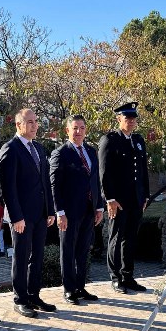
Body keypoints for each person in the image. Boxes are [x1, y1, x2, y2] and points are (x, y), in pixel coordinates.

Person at [0, 108, 57, 318]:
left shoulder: (39, 149)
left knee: (37, 257)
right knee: (21, 258)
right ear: (18, 125)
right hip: (21, 217)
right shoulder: (10, 149)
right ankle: (20, 299)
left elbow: (45, 182)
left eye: (35, 121)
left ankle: (34, 295)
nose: (34, 125)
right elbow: (8, 187)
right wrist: (16, 217)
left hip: (40, 215)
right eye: (29, 122)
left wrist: (50, 211)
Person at [50, 114, 104, 304]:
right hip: (69, 213)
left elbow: (96, 181)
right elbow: (54, 185)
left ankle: (81, 287)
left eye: (82, 128)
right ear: (67, 130)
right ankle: (69, 289)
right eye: (75, 128)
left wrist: (99, 206)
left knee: (83, 250)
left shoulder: (90, 151)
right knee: (68, 250)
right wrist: (60, 212)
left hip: (89, 210)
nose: (78, 131)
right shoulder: (60, 153)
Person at [98, 101, 150, 294]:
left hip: (136, 199)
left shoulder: (138, 140)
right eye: (127, 118)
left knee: (130, 239)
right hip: (118, 201)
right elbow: (104, 173)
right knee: (116, 237)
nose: (131, 121)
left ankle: (128, 275)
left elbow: (143, 170)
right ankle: (115, 277)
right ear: (119, 118)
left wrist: (145, 195)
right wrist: (109, 199)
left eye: (133, 118)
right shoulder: (110, 140)